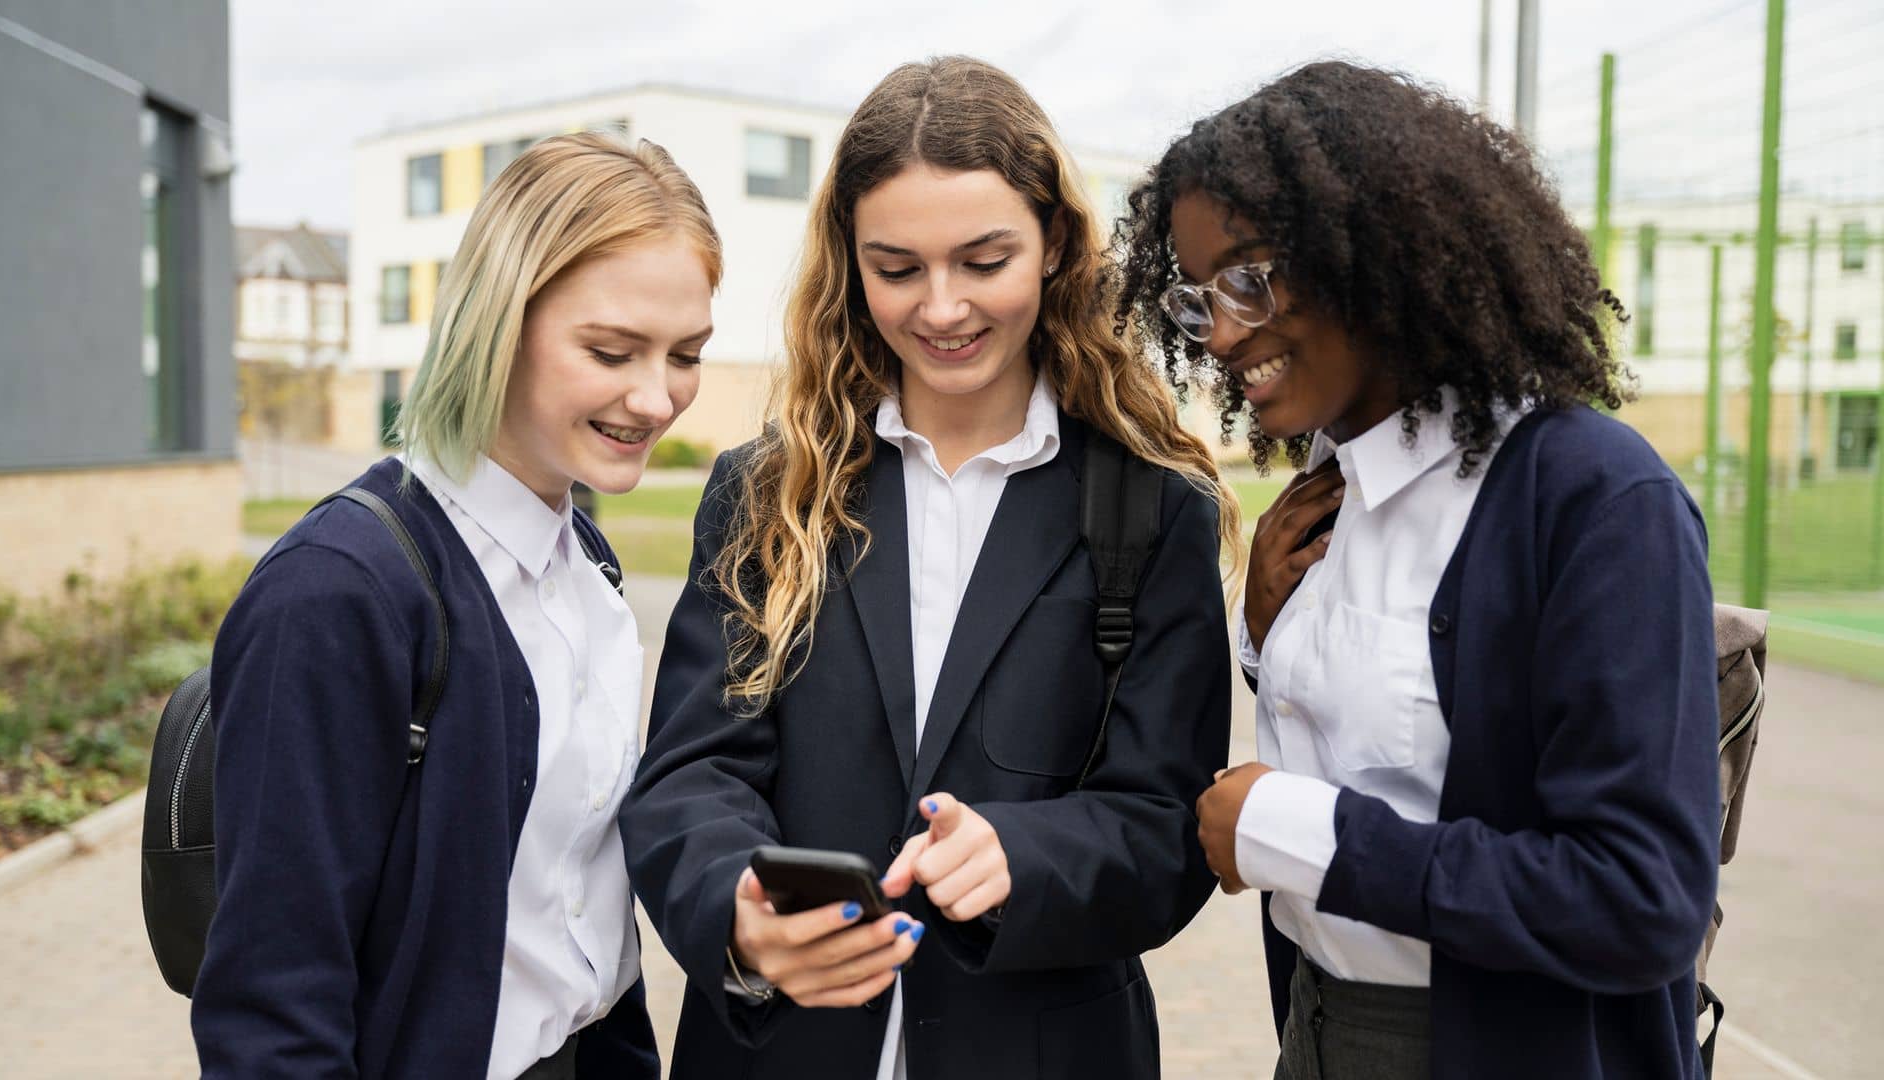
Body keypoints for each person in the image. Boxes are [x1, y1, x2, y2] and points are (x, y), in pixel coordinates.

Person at [619, 56, 1243, 1080]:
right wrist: (736, 906)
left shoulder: (1152, 507)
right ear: (850, 265)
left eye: (983, 260)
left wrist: (1025, 859)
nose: (942, 308)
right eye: (898, 268)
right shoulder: (764, 490)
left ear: (1053, 247)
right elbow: (693, 773)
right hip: (780, 1052)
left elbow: (1170, 828)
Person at [1114, 61, 1721, 1079]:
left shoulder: (1591, 498)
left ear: (1377, 251)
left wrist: (1302, 834)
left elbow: (1639, 899)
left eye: (1251, 280)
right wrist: (1266, 641)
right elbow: (1401, 724)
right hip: (1314, 1027)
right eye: (1195, 300)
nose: (1221, 335)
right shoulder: (1328, 491)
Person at [192, 133, 722, 1079]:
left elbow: (577, 911)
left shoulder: (585, 567)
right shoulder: (336, 593)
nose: (656, 396)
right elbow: (272, 1008)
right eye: (611, 350)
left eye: (686, 354)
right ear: (497, 321)